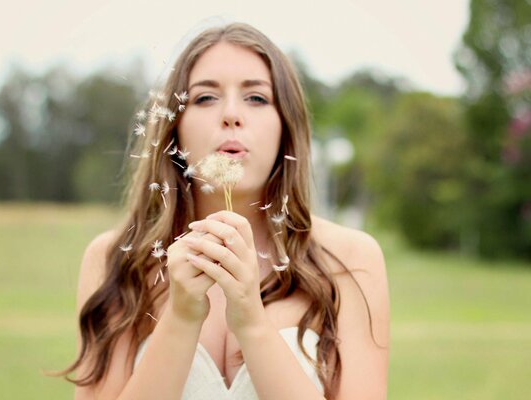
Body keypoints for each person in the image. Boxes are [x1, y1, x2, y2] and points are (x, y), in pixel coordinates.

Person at [51, 22, 390, 400]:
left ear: (286, 127)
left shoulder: (351, 261)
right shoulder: (115, 259)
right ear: (174, 129)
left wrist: (252, 323)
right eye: (205, 98)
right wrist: (180, 319)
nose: (230, 114)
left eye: (257, 98)